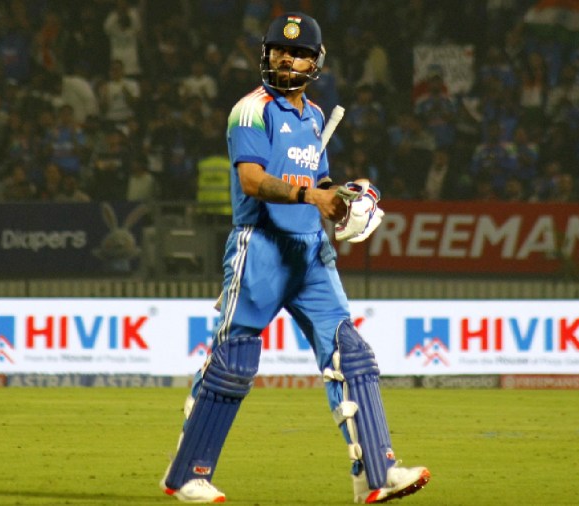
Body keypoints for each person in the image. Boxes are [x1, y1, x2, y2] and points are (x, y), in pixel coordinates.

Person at [160, 12, 430, 504]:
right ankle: (187, 475)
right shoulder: (251, 110)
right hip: (260, 246)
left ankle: (377, 473)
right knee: (234, 361)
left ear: (315, 62)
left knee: (351, 353)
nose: (288, 58)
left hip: (311, 252)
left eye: (300, 52)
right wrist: (312, 196)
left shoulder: (315, 117)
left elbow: (319, 181)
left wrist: (343, 195)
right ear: (266, 54)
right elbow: (251, 181)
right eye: (280, 50)